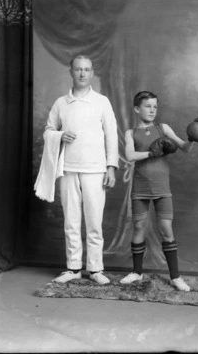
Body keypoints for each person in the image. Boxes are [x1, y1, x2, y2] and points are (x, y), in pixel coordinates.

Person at [40, 55, 119, 285]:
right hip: (68, 169)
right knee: (71, 221)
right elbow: (48, 131)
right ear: (71, 72)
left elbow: (112, 135)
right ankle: (73, 267)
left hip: (95, 169)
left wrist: (111, 167)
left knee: (94, 221)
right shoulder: (61, 103)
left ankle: (95, 269)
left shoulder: (102, 102)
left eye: (86, 69)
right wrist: (59, 135)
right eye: (78, 69)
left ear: (92, 73)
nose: (82, 74)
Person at [120, 91, 196, 291]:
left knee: (166, 230)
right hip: (140, 187)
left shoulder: (163, 128)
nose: (152, 110)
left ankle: (175, 277)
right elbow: (129, 155)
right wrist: (151, 152)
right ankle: (137, 272)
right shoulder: (131, 132)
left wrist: (192, 138)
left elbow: (185, 148)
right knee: (138, 227)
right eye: (147, 106)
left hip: (162, 188)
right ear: (137, 109)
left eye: (155, 106)